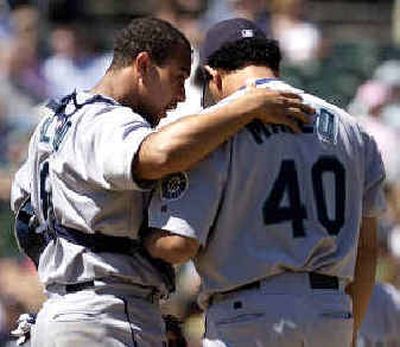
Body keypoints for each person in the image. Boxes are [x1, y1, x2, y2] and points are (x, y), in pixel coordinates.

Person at [10, 17, 312, 347]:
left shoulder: (53, 123)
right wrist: (246, 106)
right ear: (143, 65)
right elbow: (158, 155)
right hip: (105, 313)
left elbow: (26, 223)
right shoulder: (105, 120)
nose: (181, 95)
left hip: (66, 312)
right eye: (178, 77)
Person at [147, 18, 386, 347]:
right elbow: (368, 249)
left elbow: (176, 245)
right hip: (331, 311)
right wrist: (347, 328)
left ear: (213, 77)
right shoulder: (351, 128)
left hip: (248, 314)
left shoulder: (213, 131)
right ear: (273, 65)